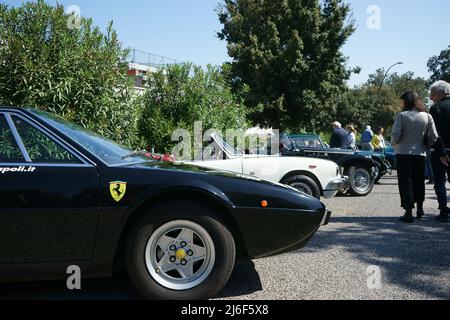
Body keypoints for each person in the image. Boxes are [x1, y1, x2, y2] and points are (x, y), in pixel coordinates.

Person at [391, 91, 438, 223]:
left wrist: (395, 142)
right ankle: (420, 209)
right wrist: (426, 144)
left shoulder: (401, 115)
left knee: (406, 183)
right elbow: (434, 136)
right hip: (420, 154)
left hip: (403, 153)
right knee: (419, 181)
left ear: (406, 101)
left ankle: (408, 212)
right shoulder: (427, 116)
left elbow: (396, 133)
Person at [429, 80, 450, 223]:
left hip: (442, 151)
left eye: (432, 94)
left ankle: (444, 211)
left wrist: (443, 153)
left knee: (440, 181)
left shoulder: (436, 108)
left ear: (441, 92)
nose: (430, 97)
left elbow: (437, 134)